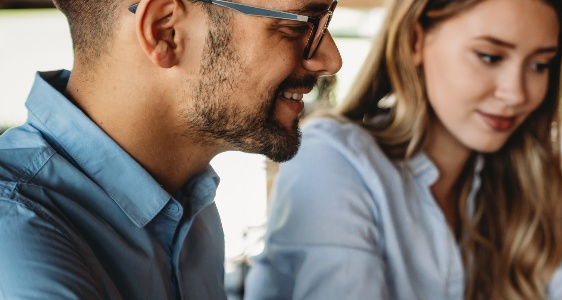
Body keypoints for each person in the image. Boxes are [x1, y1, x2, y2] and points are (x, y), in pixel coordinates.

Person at [244, 0, 562, 298]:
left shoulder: (520, 181)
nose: (517, 93)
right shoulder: (332, 158)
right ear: (416, 40)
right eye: (489, 56)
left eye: (540, 64)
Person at [0, 0, 341, 298]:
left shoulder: (191, 207)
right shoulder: (17, 236)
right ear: (165, 31)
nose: (330, 60)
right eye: (298, 27)